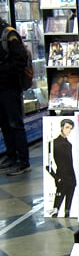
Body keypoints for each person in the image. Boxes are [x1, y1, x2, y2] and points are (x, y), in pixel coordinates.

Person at [0, 17, 31, 175]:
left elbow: (20, 61)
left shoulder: (9, 34)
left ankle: (23, 161)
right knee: (5, 123)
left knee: (15, 124)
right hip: (2, 87)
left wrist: (3, 71)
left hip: (10, 87)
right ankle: (11, 156)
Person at [48, 118, 77, 217]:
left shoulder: (69, 144)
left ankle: (67, 215)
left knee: (67, 210)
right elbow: (48, 165)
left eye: (70, 128)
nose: (69, 130)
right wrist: (57, 177)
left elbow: (70, 162)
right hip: (61, 177)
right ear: (61, 127)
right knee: (56, 208)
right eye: (67, 127)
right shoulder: (53, 143)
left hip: (71, 178)